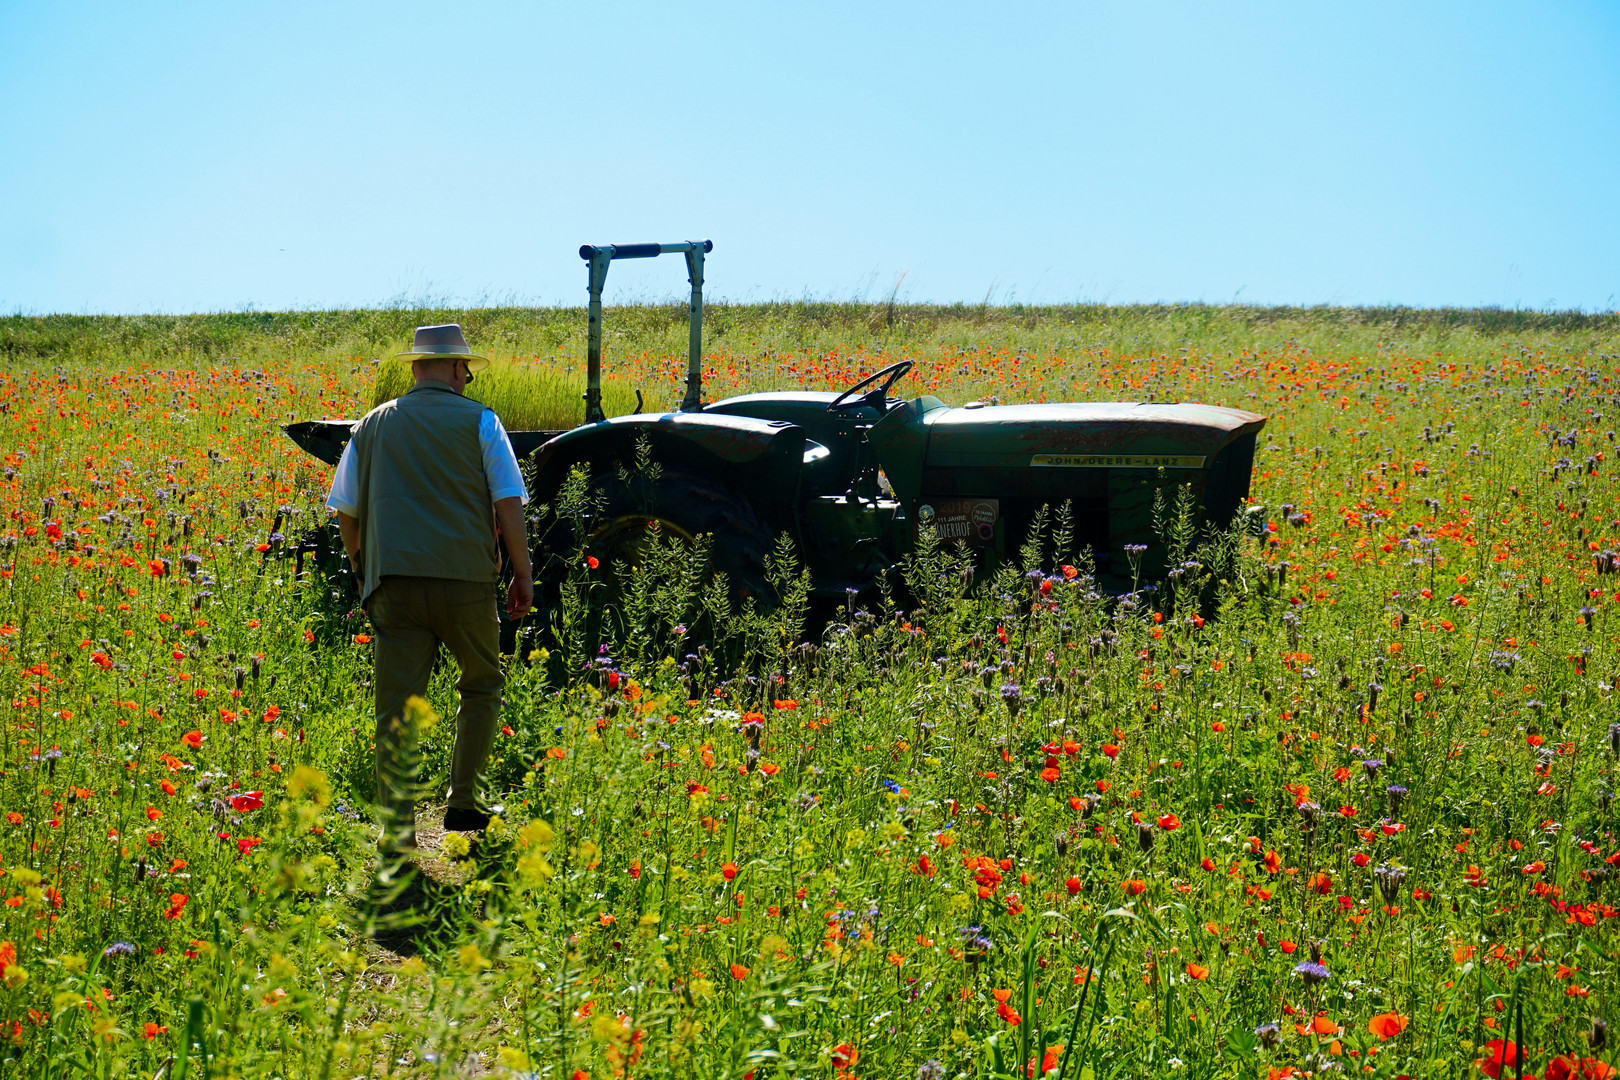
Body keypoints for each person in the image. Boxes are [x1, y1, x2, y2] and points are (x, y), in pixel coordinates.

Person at [325, 323, 533, 853]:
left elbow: (345, 510)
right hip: (465, 581)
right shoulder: (482, 421)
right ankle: (463, 801)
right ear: (457, 368)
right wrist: (522, 574)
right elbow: (508, 501)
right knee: (481, 684)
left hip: (392, 584)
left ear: (415, 367)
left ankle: (396, 827)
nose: (466, 377)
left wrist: (361, 568)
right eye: (465, 368)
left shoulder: (372, 425)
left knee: (396, 707)